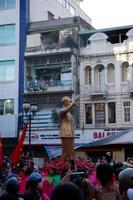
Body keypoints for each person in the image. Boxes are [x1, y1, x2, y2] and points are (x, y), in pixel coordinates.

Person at [60, 95, 80, 161]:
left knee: (71, 151)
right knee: (66, 152)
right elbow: (67, 108)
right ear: (65, 102)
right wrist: (75, 101)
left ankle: (71, 166)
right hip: (65, 133)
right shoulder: (62, 111)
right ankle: (63, 166)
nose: (70, 102)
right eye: (69, 101)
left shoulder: (69, 113)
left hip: (70, 134)